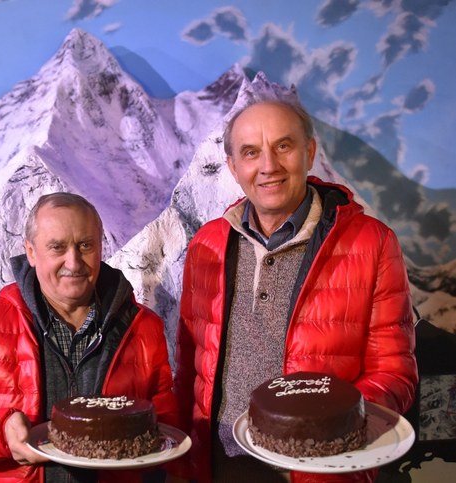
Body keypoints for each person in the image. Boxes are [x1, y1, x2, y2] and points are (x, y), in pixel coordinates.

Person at [173, 72, 418, 483]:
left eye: (283, 146)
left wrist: (330, 427)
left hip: (318, 471)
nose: (268, 166)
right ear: (233, 167)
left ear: (309, 152)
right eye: (251, 153)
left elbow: (394, 372)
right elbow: (189, 366)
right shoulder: (207, 244)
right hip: (220, 464)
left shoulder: (372, 243)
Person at [0, 192, 179, 483]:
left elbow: (164, 429)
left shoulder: (143, 328)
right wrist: (1, 432)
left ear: (100, 247)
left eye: (85, 245)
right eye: (57, 247)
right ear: (31, 252)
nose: (73, 261)